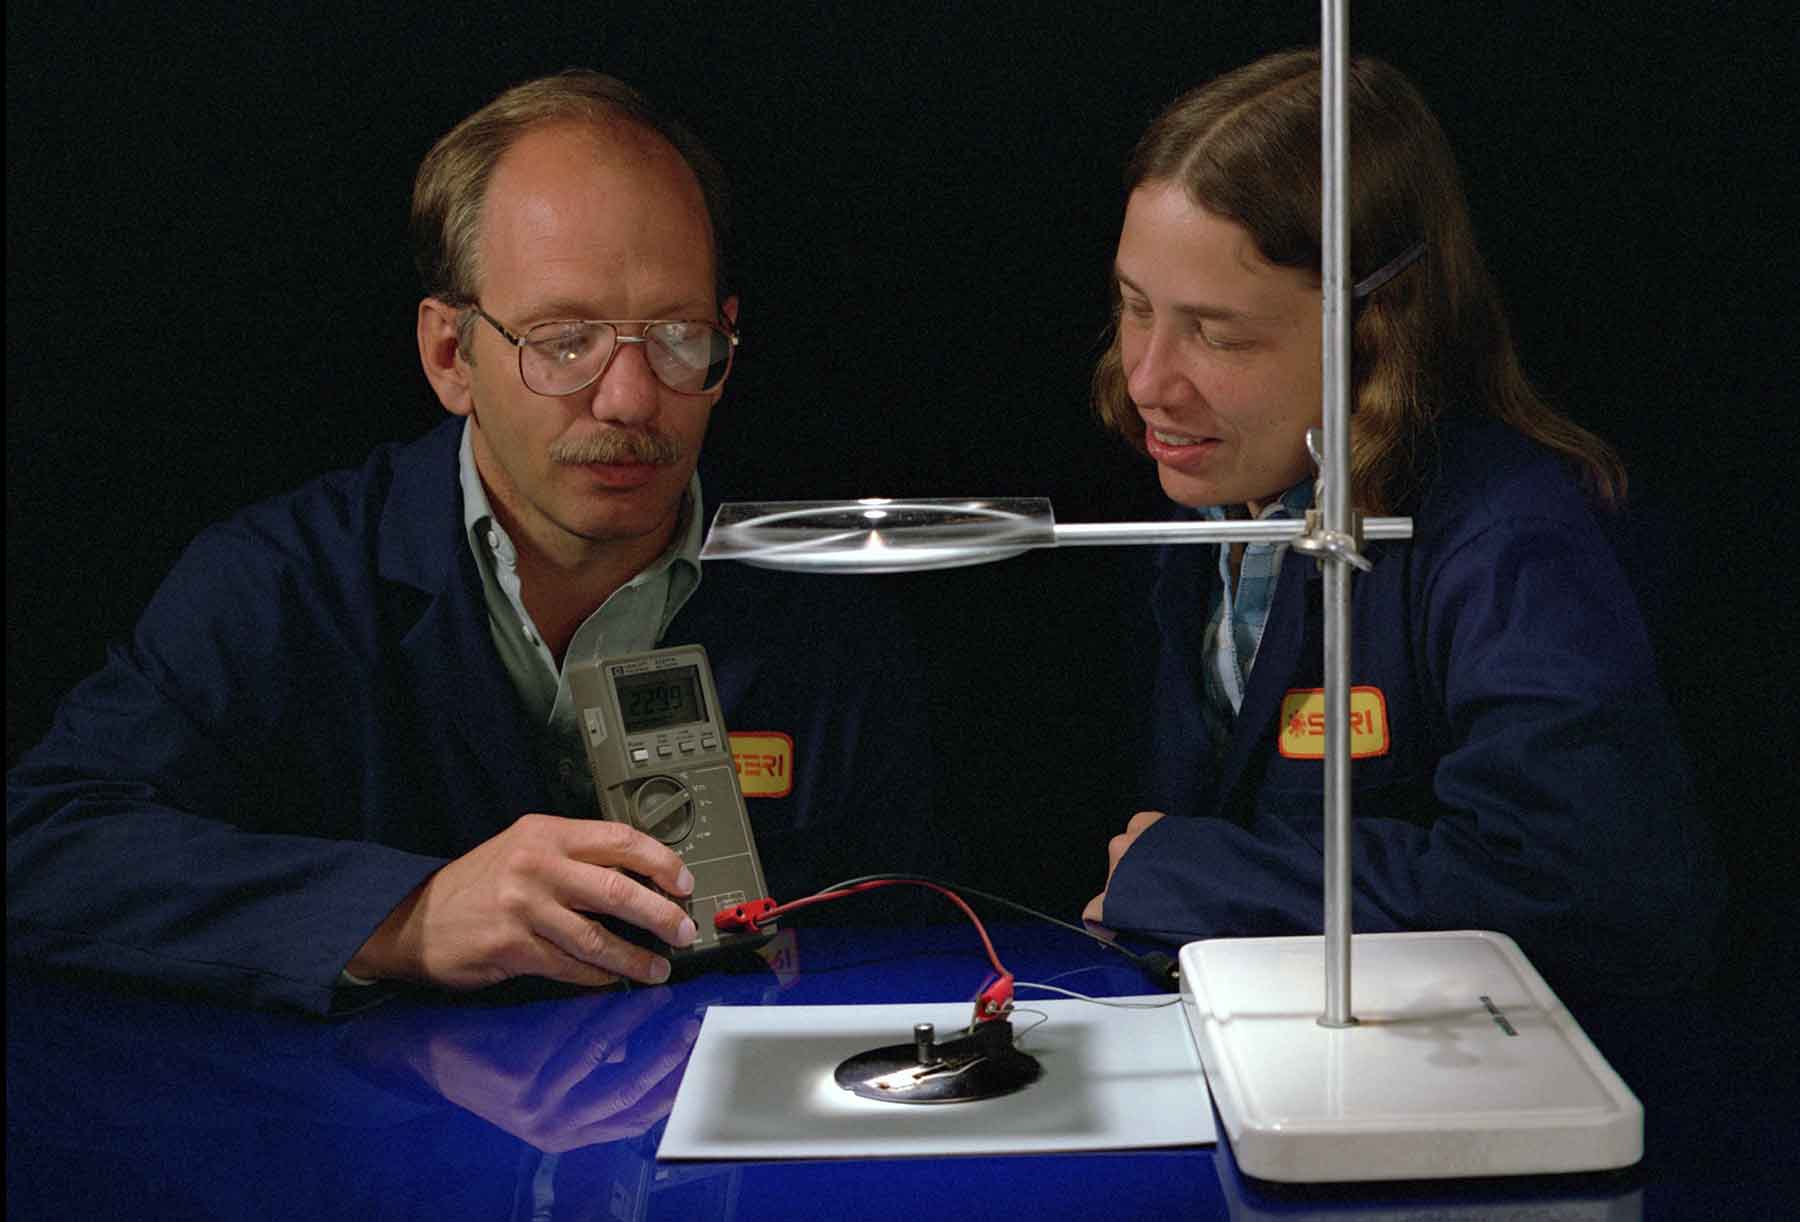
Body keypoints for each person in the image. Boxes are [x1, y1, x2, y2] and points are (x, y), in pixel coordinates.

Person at [6, 71, 933, 1013]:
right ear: (451, 354)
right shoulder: (283, 583)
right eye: (564, 340)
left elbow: (910, 941)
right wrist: (401, 917)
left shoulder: (823, 613)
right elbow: (40, 844)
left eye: (677, 336)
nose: (629, 398)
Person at [1080, 49, 1723, 995]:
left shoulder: (1507, 540)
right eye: (1136, 309)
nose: (1147, 382)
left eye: (1218, 333)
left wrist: (1192, 876)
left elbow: (1585, 889)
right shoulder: (1213, 498)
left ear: (1379, 328)